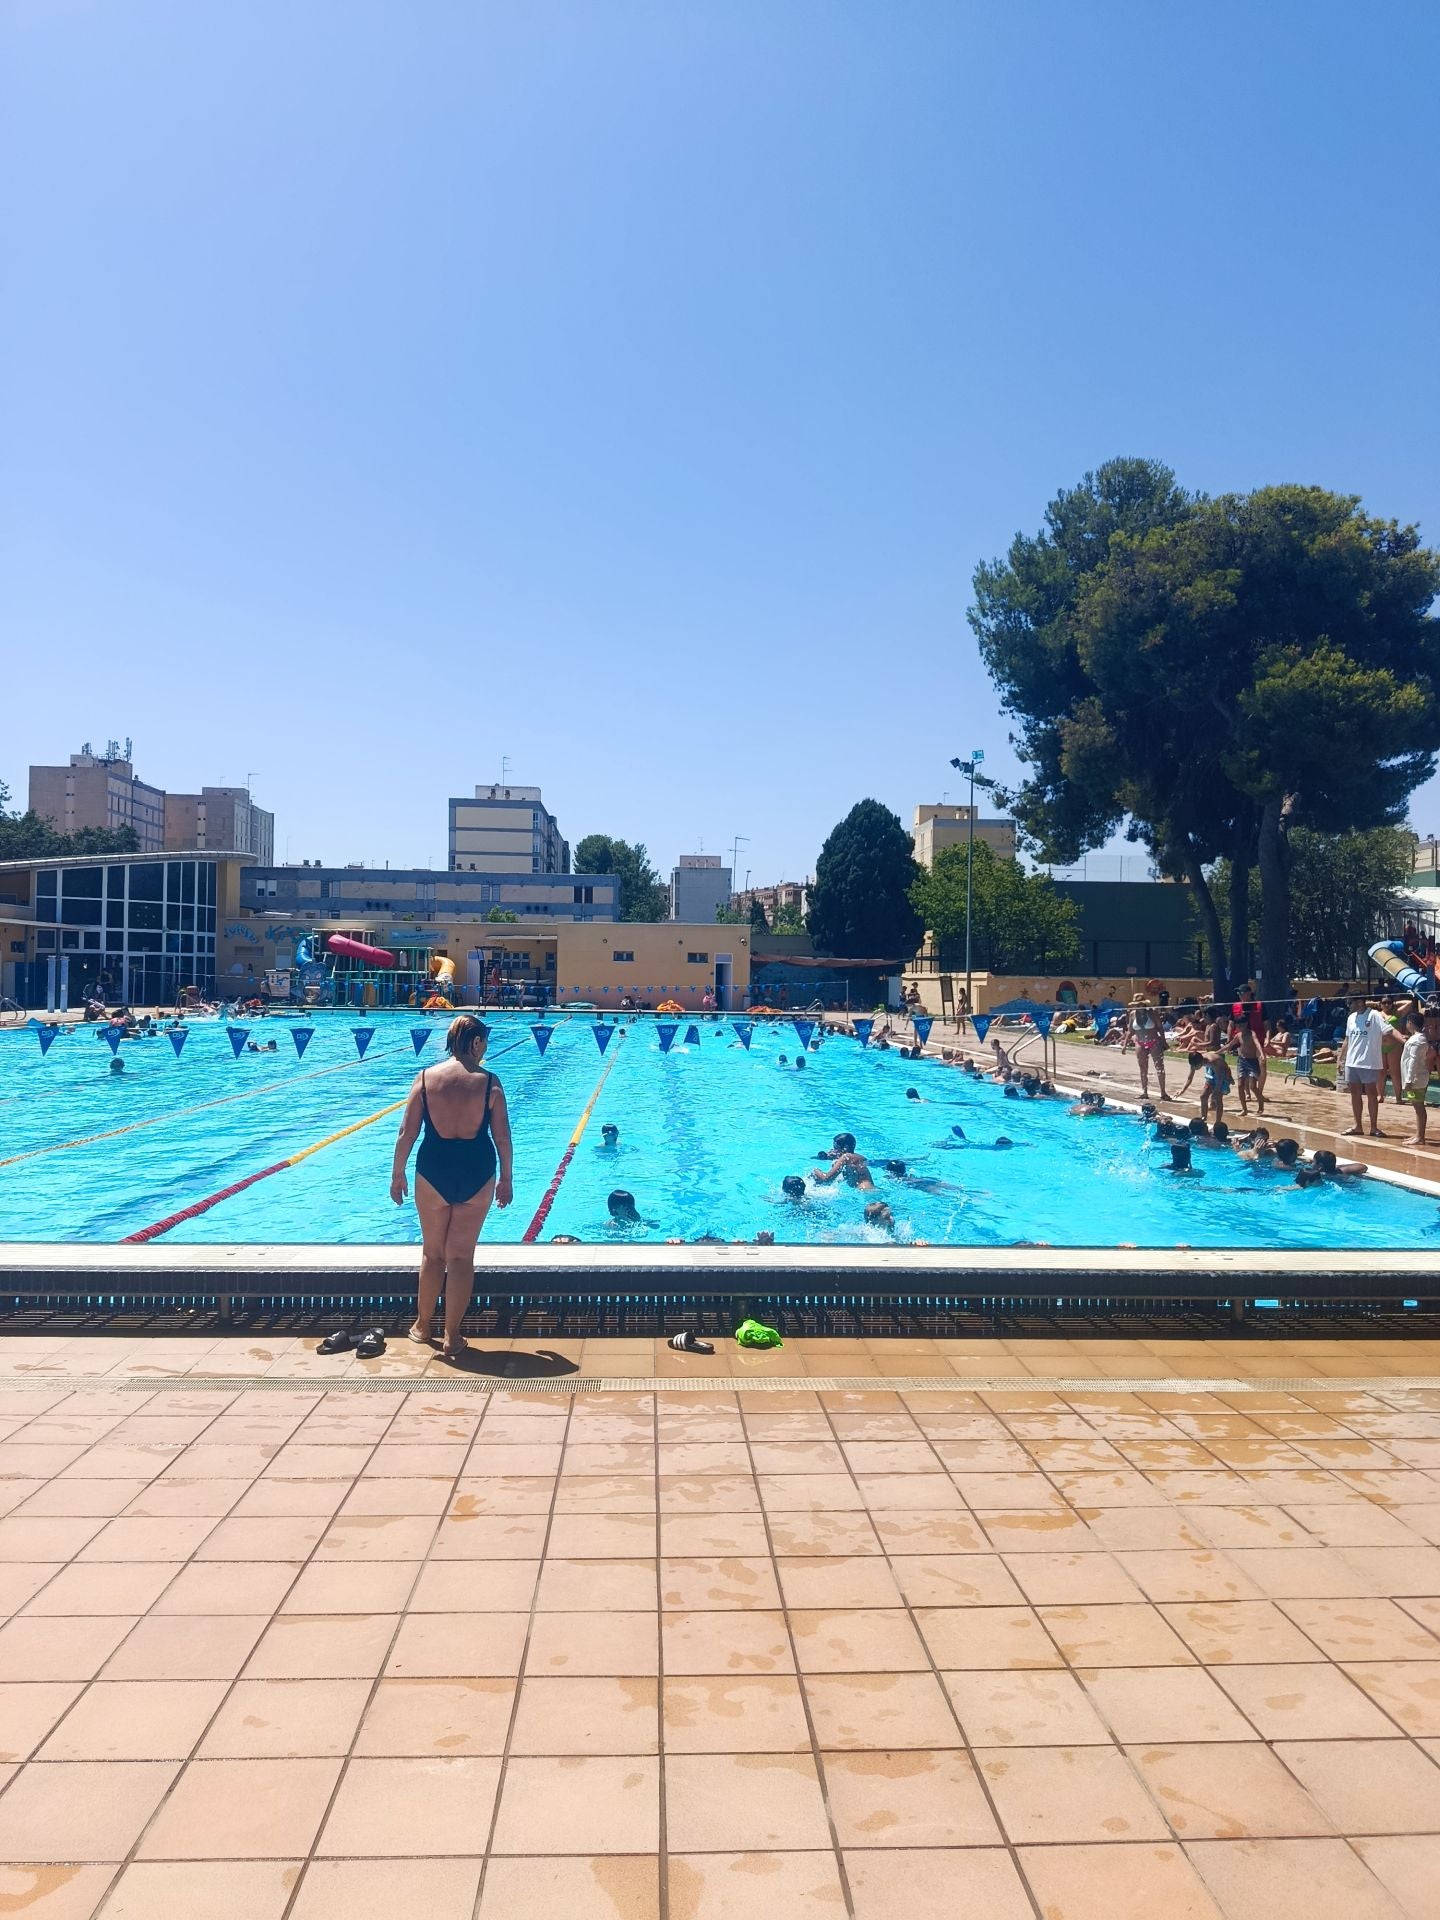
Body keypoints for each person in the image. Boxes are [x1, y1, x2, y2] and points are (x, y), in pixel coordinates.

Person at [391, 1014, 513, 1361]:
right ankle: (452, 1335)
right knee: (460, 1257)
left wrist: (397, 1174)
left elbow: (407, 1133)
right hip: (477, 1170)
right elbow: (502, 1137)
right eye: (485, 1041)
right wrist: (507, 1177)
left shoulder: (427, 1078)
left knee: (432, 1254)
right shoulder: (490, 1083)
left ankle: (422, 1325)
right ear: (476, 1043)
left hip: (433, 1169)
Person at [1339, 996, 1390, 1138]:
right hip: (1352, 1062)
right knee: (1354, 1093)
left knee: (1371, 1094)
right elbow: (1347, 1039)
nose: (1349, 1005)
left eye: (1351, 1002)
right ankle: (1357, 1126)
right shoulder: (1351, 1018)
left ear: (1360, 1002)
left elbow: (1388, 1031)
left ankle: (1373, 1127)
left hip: (1368, 1062)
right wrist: (1340, 1058)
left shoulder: (1374, 1015)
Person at [1401, 1012, 1435, 1146]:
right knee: (1416, 1105)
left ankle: (1420, 1136)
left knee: (1419, 1106)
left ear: (1410, 1023)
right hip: (1412, 1080)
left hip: (1415, 1081)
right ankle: (1418, 1134)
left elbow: (1413, 1062)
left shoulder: (1417, 1041)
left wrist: (1408, 1081)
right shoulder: (1417, 1038)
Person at [1127, 994, 1169, 1100]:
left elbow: (1160, 1028)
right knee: (1143, 1068)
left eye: (1140, 1004)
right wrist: (1124, 1044)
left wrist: (1164, 1041)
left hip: (1154, 1041)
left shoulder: (1152, 1012)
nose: (1138, 1006)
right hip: (1140, 1043)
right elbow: (1130, 1031)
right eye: (1136, 1004)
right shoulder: (1132, 1014)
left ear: (1144, 1003)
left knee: (1159, 1067)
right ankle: (1144, 1092)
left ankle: (1163, 1093)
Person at [811, 1150, 875, 1190]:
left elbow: (827, 1179)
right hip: (869, 1189)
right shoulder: (858, 1158)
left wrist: (815, 1171)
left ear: (845, 1148)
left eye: (835, 1148)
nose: (833, 1150)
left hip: (864, 1191)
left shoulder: (846, 1156)